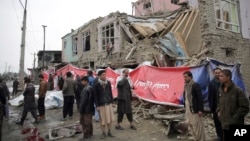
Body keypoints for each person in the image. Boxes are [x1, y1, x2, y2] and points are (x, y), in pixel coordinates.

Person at [217, 69, 249, 141]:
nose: (219, 77)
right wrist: (218, 110)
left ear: (228, 77)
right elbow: (218, 102)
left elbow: (245, 107)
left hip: (236, 123)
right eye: (219, 76)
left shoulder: (238, 91)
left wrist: (235, 118)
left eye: (222, 76)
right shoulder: (220, 89)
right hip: (224, 123)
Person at [183, 71, 205, 141]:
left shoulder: (195, 85)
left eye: (186, 77)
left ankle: (201, 139)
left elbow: (200, 98)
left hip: (195, 110)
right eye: (184, 77)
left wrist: (200, 110)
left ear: (190, 77)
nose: (184, 78)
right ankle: (196, 139)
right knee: (190, 124)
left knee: (197, 126)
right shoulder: (186, 86)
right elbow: (186, 97)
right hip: (188, 109)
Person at [93, 70, 115, 139]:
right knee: (102, 120)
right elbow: (95, 96)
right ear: (99, 76)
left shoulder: (108, 82)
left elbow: (110, 93)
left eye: (105, 74)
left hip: (108, 104)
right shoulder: (96, 84)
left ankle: (109, 132)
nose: (104, 76)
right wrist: (97, 106)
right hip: (101, 105)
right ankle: (103, 133)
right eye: (103, 75)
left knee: (109, 119)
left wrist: (112, 102)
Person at [208, 67, 223, 141]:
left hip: (225, 107)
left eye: (219, 73)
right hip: (216, 107)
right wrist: (211, 109)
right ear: (214, 73)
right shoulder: (211, 83)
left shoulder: (225, 82)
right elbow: (210, 97)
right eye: (216, 73)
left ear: (221, 73)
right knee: (217, 122)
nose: (217, 74)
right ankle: (219, 136)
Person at [79, 76, 95, 140]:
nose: (81, 82)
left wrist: (81, 109)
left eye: (82, 81)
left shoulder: (86, 89)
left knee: (85, 123)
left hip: (86, 109)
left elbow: (83, 101)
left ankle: (86, 135)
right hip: (90, 108)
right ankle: (90, 133)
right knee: (89, 122)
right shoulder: (91, 88)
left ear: (85, 81)